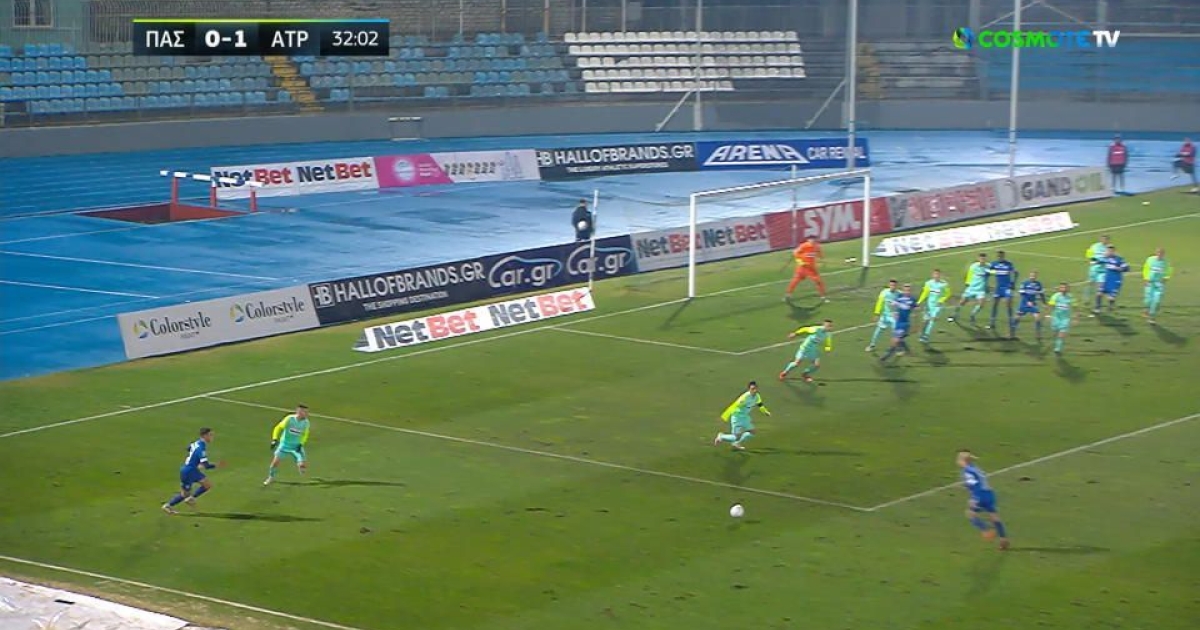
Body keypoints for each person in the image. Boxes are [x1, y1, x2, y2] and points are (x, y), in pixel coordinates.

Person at [957, 450, 1010, 550]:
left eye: (959, 459)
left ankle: (986, 529)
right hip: (989, 493)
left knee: (970, 514)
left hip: (979, 495)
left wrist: (974, 498)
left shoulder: (967, 471)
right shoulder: (975, 468)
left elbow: (974, 484)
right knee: (994, 516)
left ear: (963, 461)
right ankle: (1003, 539)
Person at [162, 427, 222, 515]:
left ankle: (190, 499)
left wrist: (195, 461)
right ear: (204, 436)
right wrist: (217, 465)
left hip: (192, 470)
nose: (212, 437)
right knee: (184, 494)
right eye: (210, 435)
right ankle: (168, 506)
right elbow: (206, 465)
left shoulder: (196, 443)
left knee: (207, 485)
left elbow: (188, 448)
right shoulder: (201, 448)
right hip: (189, 472)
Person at [713, 381, 771, 451]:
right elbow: (734, 406)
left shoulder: (757, 396)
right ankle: (721, 436)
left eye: (756, 388)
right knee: (736, 437)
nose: (754, 390)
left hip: (745, 417)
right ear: (749, 389)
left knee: (752, 432)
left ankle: (736, 444)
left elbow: (760, 405)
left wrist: (765, 412)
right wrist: (725, 417)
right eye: (752, 389)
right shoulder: (744, 397)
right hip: (737, 417)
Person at [264, 404, 311, 486]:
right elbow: (278, 427)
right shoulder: (289, 419)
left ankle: (301, 466)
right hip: (284, 445)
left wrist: (301, 444)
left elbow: (305, 434)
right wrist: (274, 439)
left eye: (307, 412)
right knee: (275, 463)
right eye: (305, 412)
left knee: (302, 465)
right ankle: (270, 477)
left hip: (296, 446)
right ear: (299, 412)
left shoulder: (306, 422)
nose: (307, 414)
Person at [880, 283, 916, 362]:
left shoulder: (912, 299)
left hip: (905, 324)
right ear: (903, 290)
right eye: (905, 290)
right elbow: (894, 305)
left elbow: (915, 312)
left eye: (908, 290)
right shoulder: (899, 296)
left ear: (911, 291)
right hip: (898, 322)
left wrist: (915, 325)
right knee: (898, 339)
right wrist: (894, 312)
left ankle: (886, 356)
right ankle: (908, 351)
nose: (907, 292)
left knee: (895, 340)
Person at [949, 253, 989, 325]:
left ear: (986, 259)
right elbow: (968, 274)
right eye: (981, 258)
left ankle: (972, 315)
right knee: (962, 302)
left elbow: (994, 271)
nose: (982, 260)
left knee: (981, 304)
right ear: (978, 259)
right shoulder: (973, 266)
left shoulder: (988, 266)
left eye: (984, 259)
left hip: (980, 290)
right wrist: (967, 282)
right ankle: (954, 315)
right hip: (971, 288)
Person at [785, 235, 827, 302]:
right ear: (808, 240)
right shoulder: (804, 246)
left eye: (814, 239)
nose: (812, 240)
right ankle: (788, 295)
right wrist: (801, 262)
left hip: (811, 269)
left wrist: (821, 260)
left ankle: (823, 297)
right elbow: (795, 254)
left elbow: (820, 255)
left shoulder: (817, 246)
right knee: (795, 281)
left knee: (819, 282)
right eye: (811, 239)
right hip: (802, 268)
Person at [917, 269, 951, 343]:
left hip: (938, 305)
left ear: (940, 275)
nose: (936, 276)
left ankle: (926, 335)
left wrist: (941, 300)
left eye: (938, 274)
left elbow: (947, 294)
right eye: (935, 274)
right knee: (925, 320)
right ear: (932, 275)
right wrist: (919, 301)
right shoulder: (928, 283)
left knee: (933, 319)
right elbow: (925, 293)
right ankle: (922, 333)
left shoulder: (944, 284)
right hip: (929, 304)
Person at [1011, 271, 1046, 340]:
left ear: (1036, 276)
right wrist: (1027, 301)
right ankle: (1012, 333)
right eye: (1031, 276)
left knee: (1037, 317)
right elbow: (1022, 294)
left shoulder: (1038, 284)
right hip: (1024, 303)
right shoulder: (1024, 283)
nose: (1033, 277)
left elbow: (1041, 294)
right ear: (1029, 276)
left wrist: (1044, 303)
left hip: (1033, 304)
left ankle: (1038, 334)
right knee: (1017, 318)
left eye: (1034, 276)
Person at [866, 279, 900, 352]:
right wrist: (877, 313)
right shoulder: (884, 292)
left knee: (896, 333)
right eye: (891, 285)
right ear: (889, 285)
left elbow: (903, 303)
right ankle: (872, 345)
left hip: (894, 317)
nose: (892, 287)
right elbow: (879, 302)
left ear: (896, 286)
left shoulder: (899, 293)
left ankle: (896, 348)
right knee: (878, 331)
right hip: (885, 316)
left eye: (894, 285)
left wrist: (898, 313)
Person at [1095, 245, 1130, 314]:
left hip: (1115, 281)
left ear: (1114, 251)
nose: (1108, 252)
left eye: (1110, 251)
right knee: (1099, 293)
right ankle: (1097, 308)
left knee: (1111, 298)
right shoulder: (1106, 258)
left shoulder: (1119, 259)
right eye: (1108, 251)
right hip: (1106, 280)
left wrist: (1120, 269)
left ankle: (1111, 306)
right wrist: (1095, 261)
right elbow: (1098, 260)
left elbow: (1127, 268)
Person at [988, 250, 1017, 331]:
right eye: (998, 256)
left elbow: (1016, 273)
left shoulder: (1008, 264)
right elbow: (987, 271)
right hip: (998, 288)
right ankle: (992, 323)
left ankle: (1011, 323)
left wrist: (1013, 283)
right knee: (994, 304)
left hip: (1007, 287)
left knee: (1008, 304)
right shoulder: (994, 264)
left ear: (1004, 256)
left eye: (1001, 256)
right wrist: (987, 284)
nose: (1000, 257)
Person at [1142, 248, 1172, 324]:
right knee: (1148, 299)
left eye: (1162, 253)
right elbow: (1146, 269)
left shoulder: (1166, 262)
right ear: (1156, 253)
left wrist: (1166, 278)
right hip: (1150, 282)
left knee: (1156, 300)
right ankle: (1147, 309)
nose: (1160, 255)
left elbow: (1169, 270)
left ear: (1164, 254)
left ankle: (1151, 317)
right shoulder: (1150, 259)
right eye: (1158, 253)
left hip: (1159, 283)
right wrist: (1145, 278)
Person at [1048, 282, 1076, 355]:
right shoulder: (1055, 296)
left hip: (1065, 318)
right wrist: (1049, 315)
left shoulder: (1070, 297)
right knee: (1055, 333)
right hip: (1056, 317)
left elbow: (1075, 307)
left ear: (1068, 289)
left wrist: (1075, 318)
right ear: (1059, 288)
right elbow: (1051, 306)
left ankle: (1057, 348)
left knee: (1061, 334)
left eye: (1065, 287)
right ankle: (1057, 342)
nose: (1063, 289)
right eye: (1062, 287)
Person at [1084, 234, 1112, 304]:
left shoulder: (1110, 247)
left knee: (1101, 284)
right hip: (1094, 268)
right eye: (1103, 239)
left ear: (1108, 240)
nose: (1104, 240)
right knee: (1090, 283)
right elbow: (1088, 254)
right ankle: (1086, 299)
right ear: (1100, 239)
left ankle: (1103, 301)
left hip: (1103, 269)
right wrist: (1091, 260)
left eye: (1106, 239)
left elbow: (1111, 257)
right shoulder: (1094, 246)